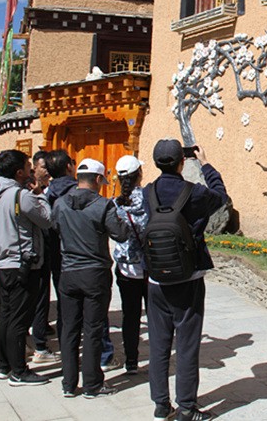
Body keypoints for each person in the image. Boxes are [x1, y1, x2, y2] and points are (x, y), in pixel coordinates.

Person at [145, 139, 227, 421]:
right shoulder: (194, 193)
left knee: (158, 345)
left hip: (156, 279)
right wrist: (205, 164)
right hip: (188, 278)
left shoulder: (147, 193)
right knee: (187, 345)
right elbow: (220, 196)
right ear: (182, 162)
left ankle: (160, 405)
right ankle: (187, 408)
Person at [53, 158, 129, 398]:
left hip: (68, 272)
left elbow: (54, 228)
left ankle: (68, 383)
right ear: (97, 179)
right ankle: (92, 383)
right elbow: (120, 234)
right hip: (95, 272)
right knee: (93, 328)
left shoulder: (60, 203)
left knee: (69, 329)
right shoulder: (103, 205)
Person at [0, 149, 52, 386]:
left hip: (5, 261)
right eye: (28, 166)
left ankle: (4, 364)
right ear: (18, 172)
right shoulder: (21, 195)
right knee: (19, 319)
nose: (32, 169)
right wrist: (40, 195)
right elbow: (46, 219)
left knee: (7, 315)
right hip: (22, 263)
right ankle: (19, 370)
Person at [112, 155, 149, 375]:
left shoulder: (115, 204)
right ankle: (160, 357)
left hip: (126, 267)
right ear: (139, 175)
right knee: (155, 315)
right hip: (148, 266)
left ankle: (131, 361)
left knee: (130, 315)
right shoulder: (148, 199)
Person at [30, 150, 61, 364]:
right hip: (38, 252)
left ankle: (44, 328)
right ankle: (39, 343)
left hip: (54, 250)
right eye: (43, 167)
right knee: (40, 296)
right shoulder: (30, 192)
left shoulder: (50, 189)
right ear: (34, 167)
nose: (47, 171)